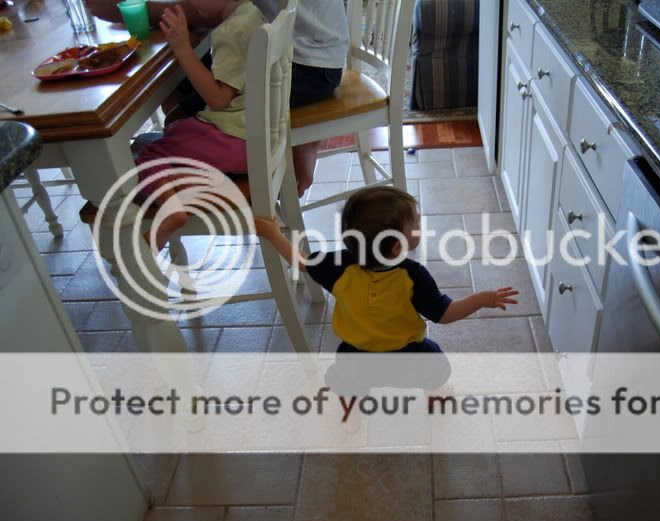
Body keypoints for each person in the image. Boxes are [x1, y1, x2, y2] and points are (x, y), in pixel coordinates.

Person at [254, 186, 520, 408]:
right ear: (397, 246)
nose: (420, 219)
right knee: (435, 366)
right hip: (407, 355)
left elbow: (300, 262)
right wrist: (482, 299)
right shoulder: (413, 275)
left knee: (348, 384)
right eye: (415, 221)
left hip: (356, 355)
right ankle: (435, 394)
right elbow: (444, 314)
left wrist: (274, 235)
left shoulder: (338, 266)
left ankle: (351, 411)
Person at [86, 0, 348, 196]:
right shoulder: (247, 15)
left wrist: (178, 41)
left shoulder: (234, 29)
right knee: (185, 91)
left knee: (181, 112)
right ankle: (271, 159)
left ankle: (214, 186)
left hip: (308, 66)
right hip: (315, 50)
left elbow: (218, 97)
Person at [131, 0, 264, 251]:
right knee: (177, 131)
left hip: (235, 140)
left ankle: (171, 210)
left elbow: (218, 99)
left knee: (146, 157)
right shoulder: (253, 15)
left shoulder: (231, 30)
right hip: (258, 138)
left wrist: (182, 47)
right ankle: (188, 185)